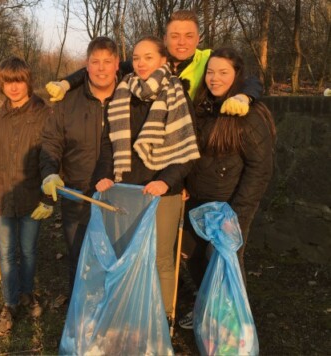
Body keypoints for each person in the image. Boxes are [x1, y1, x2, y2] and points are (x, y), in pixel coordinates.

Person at [93, 36, 200, 320]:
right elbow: (108, 144)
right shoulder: (122, 94)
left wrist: (166, 181)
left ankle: (164, 318)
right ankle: (131, 311)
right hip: (126, 189)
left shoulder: (177, 94)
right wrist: (105, 176)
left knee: (161, 258)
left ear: (163, 60)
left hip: (163, 192)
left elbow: (188, 150)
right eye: (137, 58)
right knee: (127, 255)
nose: (141, 63)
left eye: (149, 57)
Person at [178, 48, 275, 329]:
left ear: (237, 76)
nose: (214, 78)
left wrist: (238, 212)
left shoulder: (249, 112)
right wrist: (184, 183)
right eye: (210, 72)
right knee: (193, 256)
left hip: (229, 203)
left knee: (223, 260)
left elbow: (260, 168)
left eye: (223, 72)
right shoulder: (203, 106)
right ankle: (209, 310)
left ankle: (234, 328)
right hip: (197, 199)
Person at [46, 10, 262, 115]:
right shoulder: (148, 62)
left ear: (198, 39)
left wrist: (244, 97)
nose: (182, 42)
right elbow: (101, 69)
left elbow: (247, 78)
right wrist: (65, 84)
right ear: (165, 38)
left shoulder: (207, 59)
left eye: (189, 36)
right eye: (175, 35)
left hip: (192, 139)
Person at [0, 57, 53, 333]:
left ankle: (27, 292)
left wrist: (48, 197)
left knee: (29, 252)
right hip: (2, 198)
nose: (14, 87)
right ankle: (9, 303)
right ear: (2, 84)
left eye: (18, 81)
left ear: (27, 81)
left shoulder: (44, 114)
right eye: (8, 82)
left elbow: (50, 157)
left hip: (32, 197)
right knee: (7, 254)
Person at [39, 37, 120, 296]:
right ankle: (80, 319)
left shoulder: (131, 95)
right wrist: (50, 172)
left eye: (107, 61)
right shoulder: (68, 101)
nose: (101, 68)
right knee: (79, 260)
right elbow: (51, 142)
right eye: (95, 61)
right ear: (86, 65)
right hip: (77, 195)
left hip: (119, 196)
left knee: (116, 262)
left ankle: (111, 318)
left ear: (118, 64)